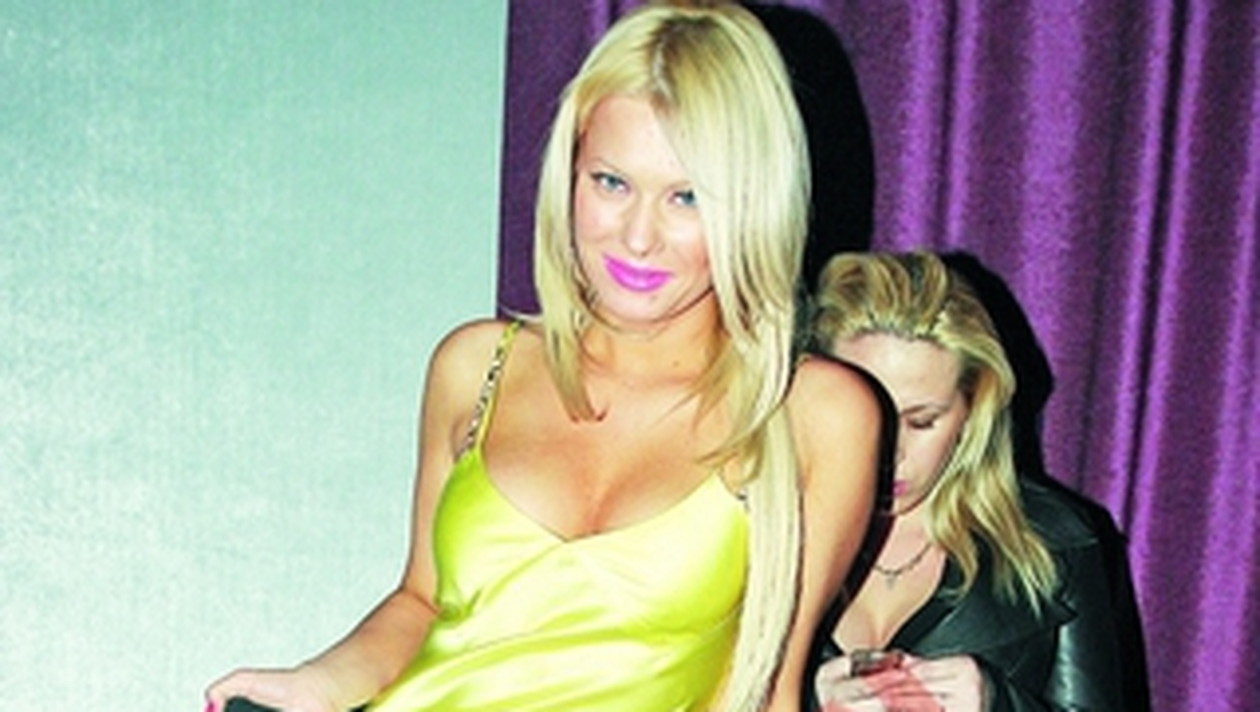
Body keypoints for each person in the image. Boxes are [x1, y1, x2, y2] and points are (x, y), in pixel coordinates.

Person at [205, 2, 882, 711]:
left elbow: (768, 687)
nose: (638, 237)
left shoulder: (812, 414)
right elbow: (420, 603)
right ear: (570, 174)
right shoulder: (476, 367)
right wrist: (312, 685)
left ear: (753, 205)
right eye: (611, 183)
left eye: (686, 198)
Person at [806, 251, 1126, 711]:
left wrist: (996, 703)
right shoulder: (753, 529)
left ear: (971, 411)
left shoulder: (1053, 541)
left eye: (921, 421)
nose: (892, 453)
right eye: (868, 414)